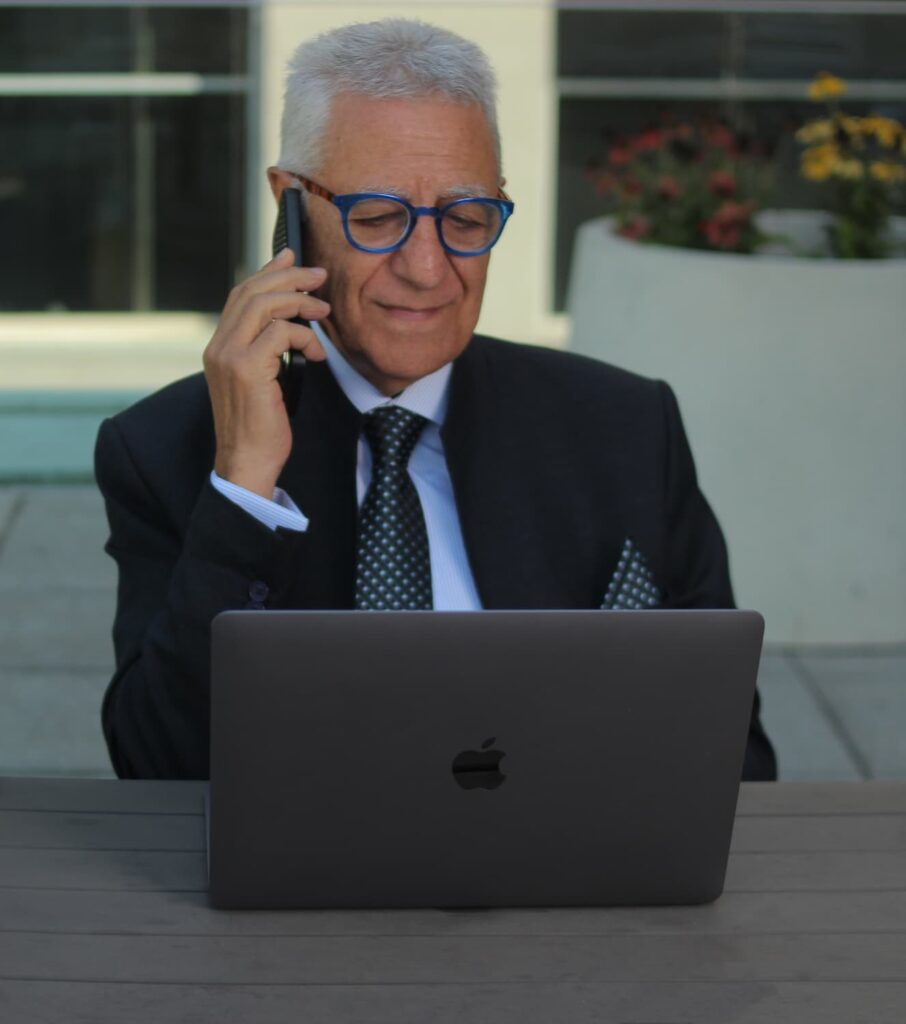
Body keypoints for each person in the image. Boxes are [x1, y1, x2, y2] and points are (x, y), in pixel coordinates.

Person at [95, 19, 776, 781]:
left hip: (574, 883)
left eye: (465, 218)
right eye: (379, 218)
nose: (428, 269)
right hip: (302, 889)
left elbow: (736, 757)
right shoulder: (166, 449)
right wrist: (244, 489)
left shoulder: (625, 425)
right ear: (291, 207)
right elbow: (158, 768)